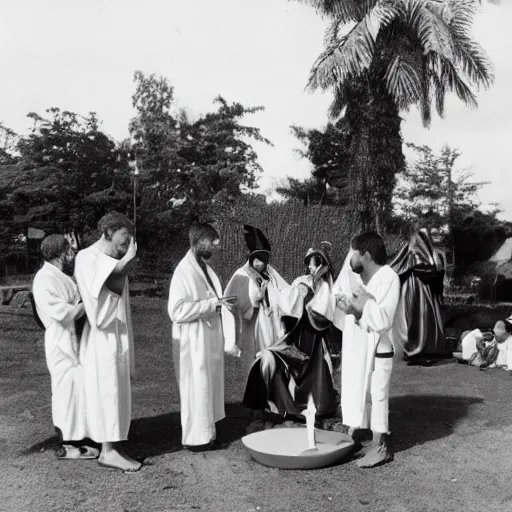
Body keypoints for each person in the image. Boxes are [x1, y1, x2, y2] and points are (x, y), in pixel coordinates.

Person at [74, 212, 140, 472]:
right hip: (102, 338)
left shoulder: (110, 259)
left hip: (116, 335)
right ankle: (108, 451)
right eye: (124, 239)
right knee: (107, 391)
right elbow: (99, 305)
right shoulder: (87, 257)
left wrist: (123, 261)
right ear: (108, 231)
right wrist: (127, 261)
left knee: (116, 391)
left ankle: (113, 445)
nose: (126, 245)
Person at [243, 242, 338, 420]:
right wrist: (300, 293)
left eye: (314, 263)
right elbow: (288, 301)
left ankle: (319, 406)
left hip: (316, 337)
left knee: (319, 368)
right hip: (299, 333)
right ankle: (275, 404)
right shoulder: (300, 281)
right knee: (275, 360)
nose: (310, 267)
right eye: (310, 263)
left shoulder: (326, 286)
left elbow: (326, 311)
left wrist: (315, 289)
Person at [333, 232, 400, 468]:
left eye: (354, 253)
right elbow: (359, 313)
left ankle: (381, 447)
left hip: (380, 350)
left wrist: (364, 305)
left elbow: (384, 320)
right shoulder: (362, 280)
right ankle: (369, 439)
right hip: (361, 349)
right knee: (366, 394)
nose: (350, 259)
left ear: (366, 255)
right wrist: (351, 309)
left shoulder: (389, 278)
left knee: (378, 396)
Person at [168, 223, 237, 450]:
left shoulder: (202, 267)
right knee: (194, 387)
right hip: (191, 340)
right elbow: (176, 311)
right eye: (211, 241)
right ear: (198, 241)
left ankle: (208, 434)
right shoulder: (184, 271)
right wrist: (212, 304)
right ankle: (195, 439)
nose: (215, 246)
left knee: (206, 386)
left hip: (205, 338)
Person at [32, 234, 99, 460]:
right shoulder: (44, 279)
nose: (72, 255)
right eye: (69, 251)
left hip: (75, 339)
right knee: (64, 391)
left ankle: (80, 438)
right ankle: (67, 443)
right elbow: (64, 313)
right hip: (60, 341)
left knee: (78, 389)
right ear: (61, 254)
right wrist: (88, 302)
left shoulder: (59, 276)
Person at [224, 225, 289, 374]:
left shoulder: (269, 273)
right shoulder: (241, 274)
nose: (260, 264)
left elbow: (284, 290)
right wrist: (257, 298)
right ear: (251, 259)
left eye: (263, 260)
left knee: (269, 359)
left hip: (269, 322)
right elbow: (231, 301)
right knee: (254, 360)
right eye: (257, 260)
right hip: (251, 324)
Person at [390, 229, 451, 364]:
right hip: (418, 293)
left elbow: (398, 268)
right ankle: (421, 349)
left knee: (418, 319)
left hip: (414, 293)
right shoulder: (426, 256)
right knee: (419, 319)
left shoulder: (414, 255)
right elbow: (431, 271)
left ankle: (418, 349)